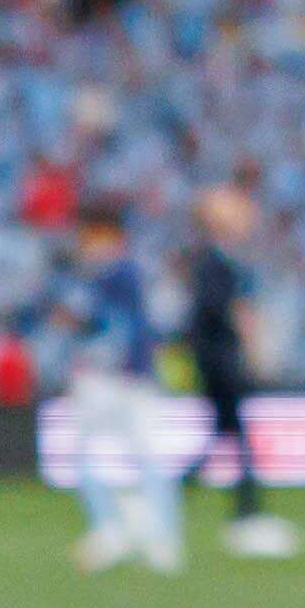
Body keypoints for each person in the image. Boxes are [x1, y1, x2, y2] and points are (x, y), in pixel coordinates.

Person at [58, 204, 183, 573]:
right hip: (125, 378)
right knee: (136, 455)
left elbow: (100, 323)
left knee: (126, 454)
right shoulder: (117, 272)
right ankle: (149, 538)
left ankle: (126, 532)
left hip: (114, 379)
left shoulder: (115, 273)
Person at [190, 182, 294, 559]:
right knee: (236, 438)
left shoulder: (218, 262)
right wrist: (243, 337)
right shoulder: (214, 264)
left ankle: (182, 499)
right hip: (219, 363)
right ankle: (246, 515)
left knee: (225, 436)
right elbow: (214, 313)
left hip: (218, 361)